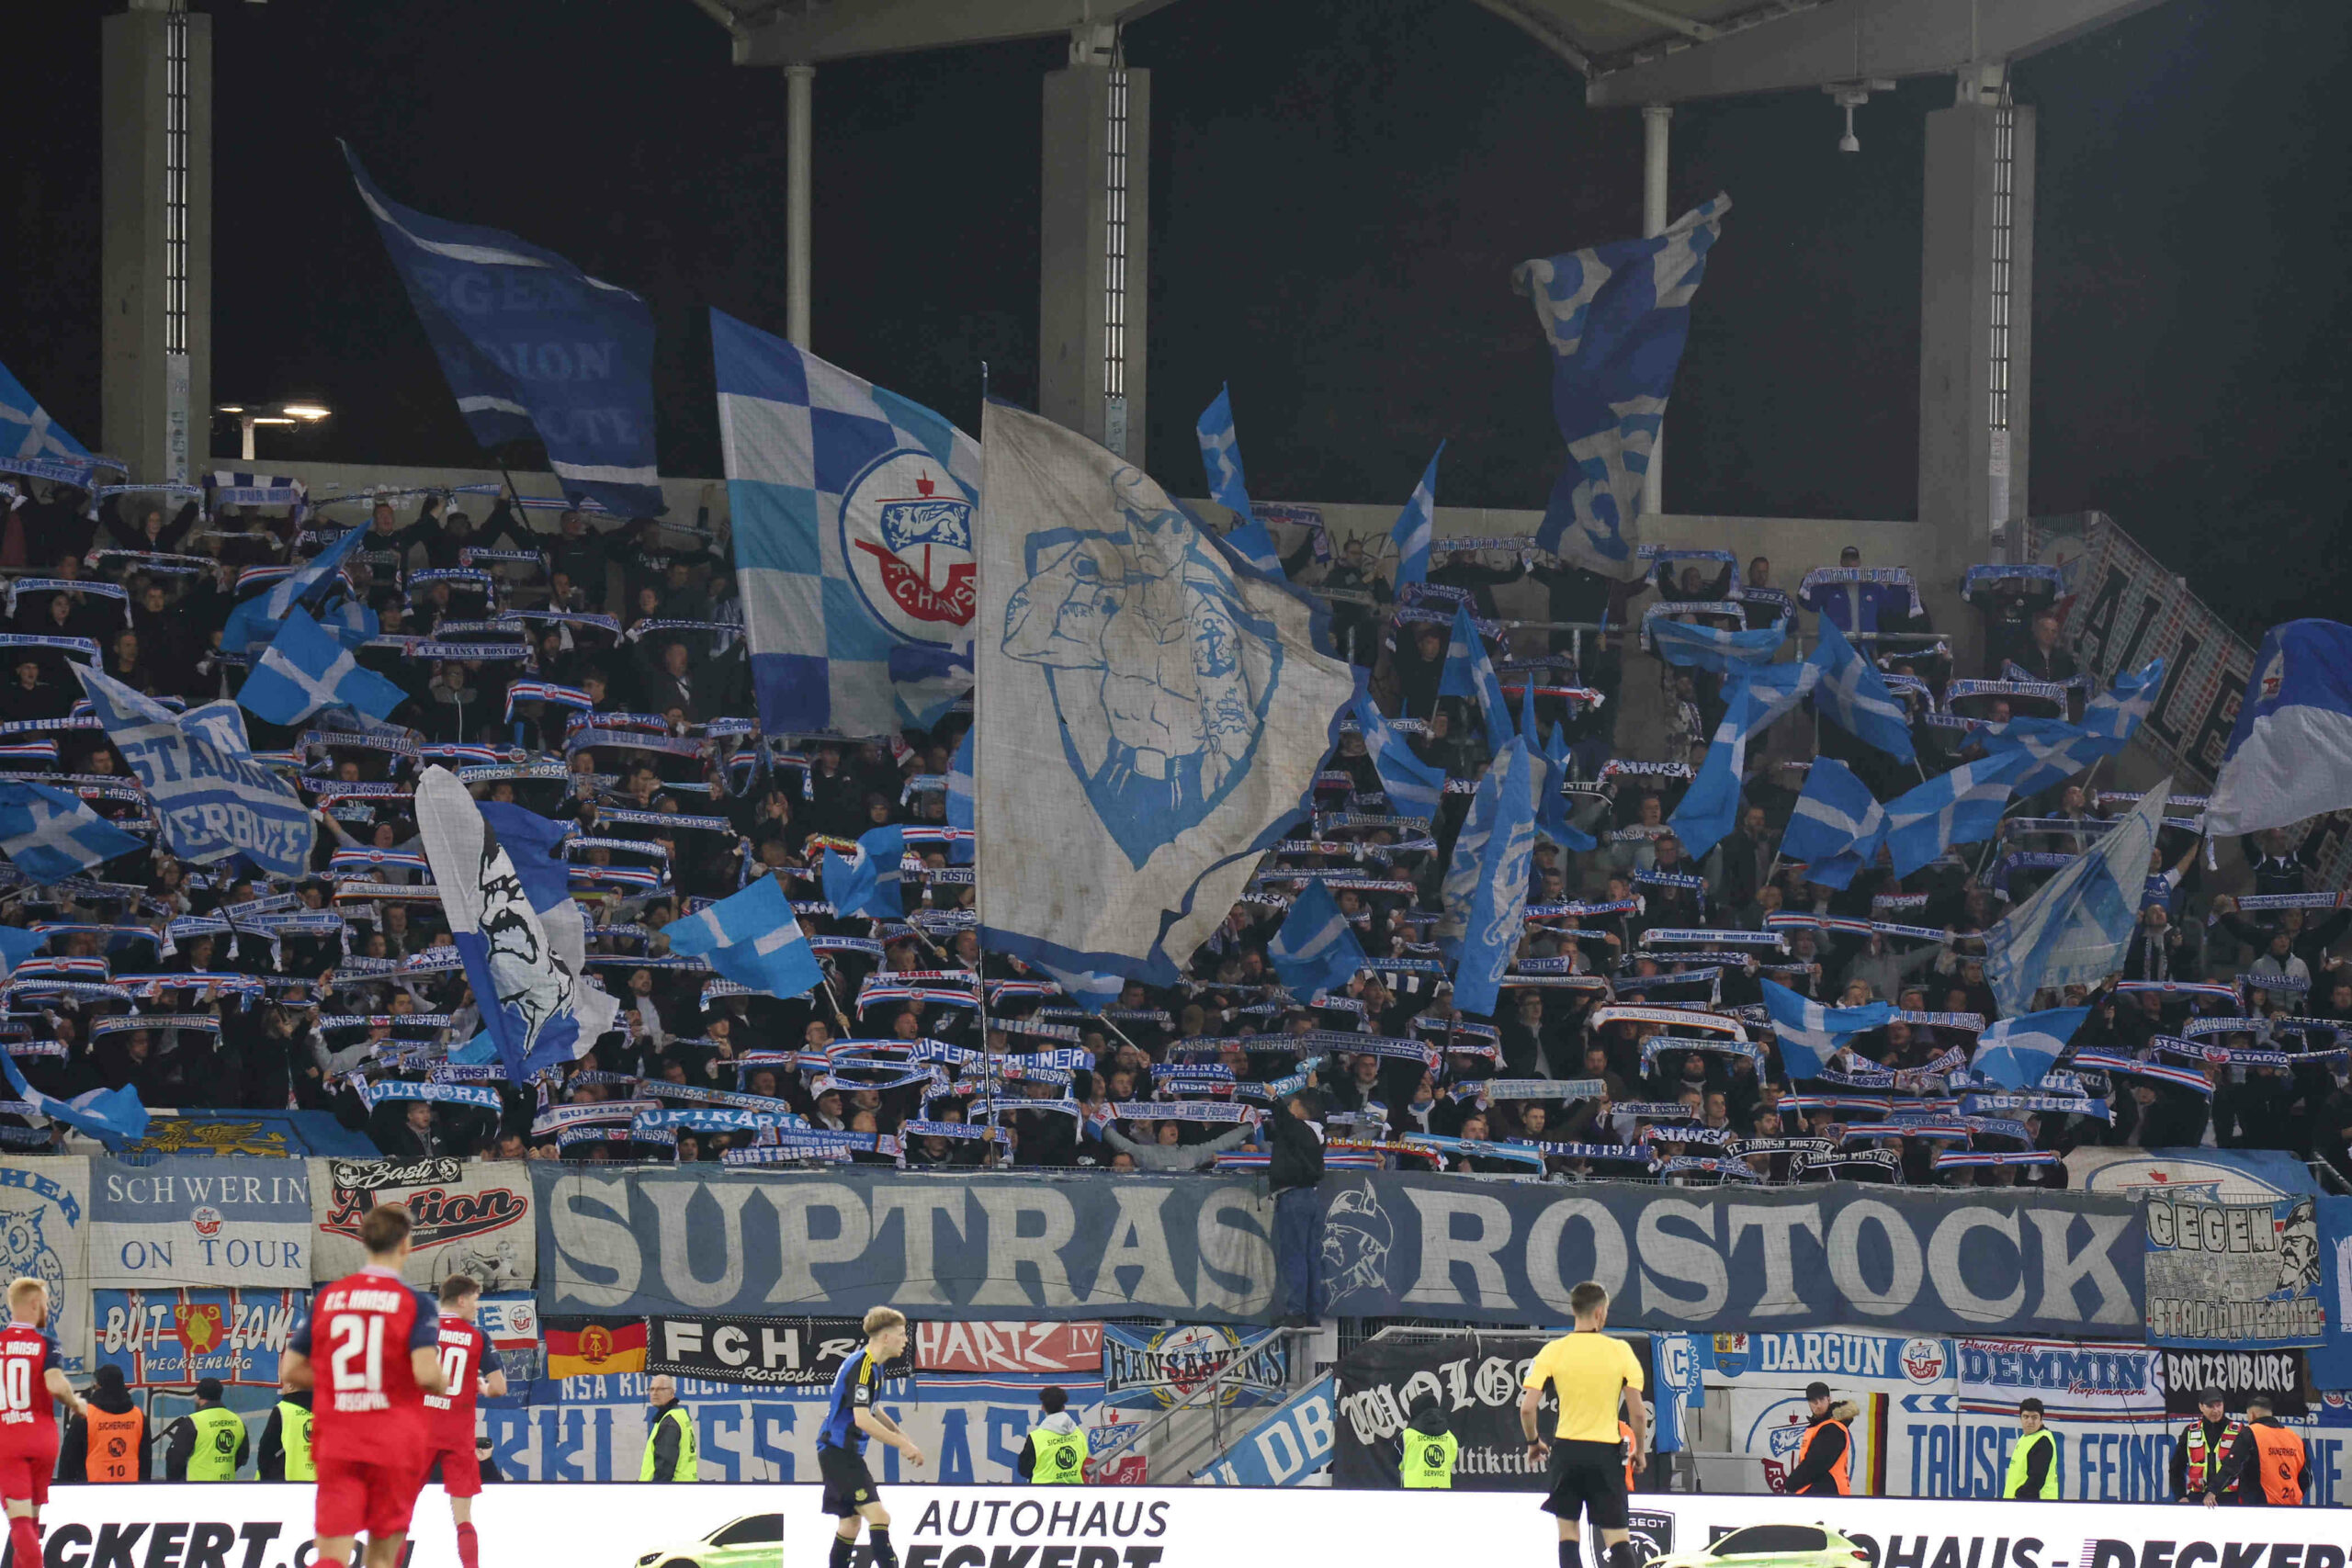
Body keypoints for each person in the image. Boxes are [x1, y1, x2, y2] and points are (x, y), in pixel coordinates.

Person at [281, 1204, 450, 1568]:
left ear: (364, 1242)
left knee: (331, 1556)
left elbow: (291, 1370)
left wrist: (342, 1382)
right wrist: (442, 1380)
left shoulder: (329, 1298)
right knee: (382, 1559)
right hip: (394, 1444)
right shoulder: (416, 1303)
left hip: (339, 1442)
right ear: (407, 1244)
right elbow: (425, 1374)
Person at [1520, 1280, 1647, 1568]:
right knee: (1618, 1541)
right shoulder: (1621, 1351)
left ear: (1574, 1310)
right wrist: (1638, 1452)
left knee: (1568, 1537)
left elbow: (1527, 1408)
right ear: (1600, 1312)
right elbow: (1638, 1414)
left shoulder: (1553, 1351)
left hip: (1567, 1454)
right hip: (1606, 1455)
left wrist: (1533, 1442)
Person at [818, 1306, 924, 1568]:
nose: (906, 1339)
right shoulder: (863, 1367)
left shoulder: (872, 1367)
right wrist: (901, 1444)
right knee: (880, 1517)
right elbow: (862, 1419)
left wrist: (900, 1433)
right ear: (886, 1337)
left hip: (839, 1453)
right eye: (901, 1334)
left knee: (850, 1524)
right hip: (839, 1453)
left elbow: (871, 1408)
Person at [0, 1277, 85, 1568]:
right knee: (31, 1526)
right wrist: (76, 1404)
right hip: (42, 1438)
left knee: (20, 1524)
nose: (47, 1310)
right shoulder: (45, 1343)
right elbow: (55, 1384)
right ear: (34, 1305)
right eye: (46, 1305)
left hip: (8, 1440)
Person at [422, 1274, 506, 1568]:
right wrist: (481, 1385)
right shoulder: (478, 1337)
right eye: (475, 1300)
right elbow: (498, 1388)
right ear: (460, 1299)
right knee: (463, 1518)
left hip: (420, 1436)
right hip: (458, 1438)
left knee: (398, 1516)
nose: (477, 1306)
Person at [1264, 1086, 1327, 1326]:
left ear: (1303, 1112)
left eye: (1294, 1106)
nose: (1290, 1109)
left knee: (1294, 1257)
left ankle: (1296, 1313)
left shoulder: (1300, 1130)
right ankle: (1311, 1314)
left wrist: (1274, 1098)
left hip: (1294, 1198)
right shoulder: (1317, 1132)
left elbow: (1284, 1120)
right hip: (1309, 1198)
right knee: (1310, 1257)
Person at [57, 1363, 147, 1483]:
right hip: (129, 1490)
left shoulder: (85, 1416)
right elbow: (146, 1461)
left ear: (99, 1386)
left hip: (92, 1490)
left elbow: (68, 1460)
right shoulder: (139, 1417)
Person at [2169, 1389, 2253, 1507]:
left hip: (2230, 1498)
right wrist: (2180, 1496)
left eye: (2219, 1405)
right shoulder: (2190, 1431)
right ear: (2201, 1407)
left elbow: (2247, 1467)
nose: (2216, 1410)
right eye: (2210, 1406)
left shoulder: (2239, 1430)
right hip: (2197, 1498)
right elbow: (2176, 1467)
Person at [163, 1375, 248, 1479]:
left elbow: (174, 1460)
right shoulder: (237, 1421)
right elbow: (242, 1457)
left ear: (198, 1396)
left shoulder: (193, 1422)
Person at [1783, 1382, 1850, 1496]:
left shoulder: (1832, 1428)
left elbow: (1816, 1464)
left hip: (1825, 1494)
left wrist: (1791, 1484)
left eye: (1821, 1400)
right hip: (1822, 1492)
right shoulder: (1819, 1426)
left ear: (1829, 1399)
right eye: (1813, 1401)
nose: (1818, 1405)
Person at [2243, 1394, 2309, 1506]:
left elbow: (2233, 1467)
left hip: (2259, 1505)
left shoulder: (2251, 1432)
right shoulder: (2294, 1437)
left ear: (2252, 1415)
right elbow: (2306, 1477)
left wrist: (2213, 1491)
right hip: (2292, 1504)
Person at [1015, 1384, 1088, 1484]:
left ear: (1043, 1407)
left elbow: (1024, 1470)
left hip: (1043, 1493)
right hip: (1075, 1491)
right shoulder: (1078, 1433)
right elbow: (1083, 1457)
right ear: (1064, 1407)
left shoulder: (1036, 1438)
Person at [642, 1373, 697, 1483]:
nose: (654, 1393)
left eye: (660, 1389)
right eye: (651, 1389)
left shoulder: (669, 1422)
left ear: (672, 1392)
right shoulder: (679, 1414)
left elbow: (664, 1468)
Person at [1398, 1394, 1456, 1489]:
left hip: (1413, 1492)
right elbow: (1451, 1460)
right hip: (1442, 1491)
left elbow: (1396, 1460)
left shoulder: (1407, 1435)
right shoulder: (1450, 1436)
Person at [258, 1387, 314, 1482]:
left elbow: (265, 1453)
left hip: (290, 1487)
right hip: (327, 1488)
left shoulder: (283, 1410)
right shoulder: (334, 1409)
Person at [2007, 1398, 2057, 1499]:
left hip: (2034, 1503)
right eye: (2026, 1417)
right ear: (2020, 1418)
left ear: (2041, 1419)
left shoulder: (2043, 1441)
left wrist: (2019, 1496)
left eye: (2034, 1417)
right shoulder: (2025, 1438)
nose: (2030, 1421)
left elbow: (2037, 1479)